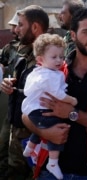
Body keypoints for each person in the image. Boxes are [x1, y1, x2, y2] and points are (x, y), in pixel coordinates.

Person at [22, 8, 87, 179]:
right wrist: (45, 133)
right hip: (50, 170)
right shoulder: (50, 71)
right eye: (86, 32)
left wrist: (71, 114)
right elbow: (26, 115)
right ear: (73, 35)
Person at [0, 5, 49, 179]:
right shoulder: (22, 50)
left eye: (20, 25)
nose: (16, 29)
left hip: (36, 134)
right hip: (16, 126)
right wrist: (7, 84)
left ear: (35, 27)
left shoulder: (52, 56)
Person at [21, 33, 77, 179]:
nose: (59, 60)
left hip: (33, 111)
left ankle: (30, 147)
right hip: (39, 110)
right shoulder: (50, 75)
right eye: (54, 57)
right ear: (40, 59)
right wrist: (72, 100)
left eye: (61, 56)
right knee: (56, 125)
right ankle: (52, 162)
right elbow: (58, 94)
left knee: (42, 125)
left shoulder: (38, 72)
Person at [0, 11, 19, 179]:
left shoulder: (39, 48)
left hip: (25, 109)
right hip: (10, 103)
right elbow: (1, 60)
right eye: (13, 26)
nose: (14, 30)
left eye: (17, 26)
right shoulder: (10, 47)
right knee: (4, 144)